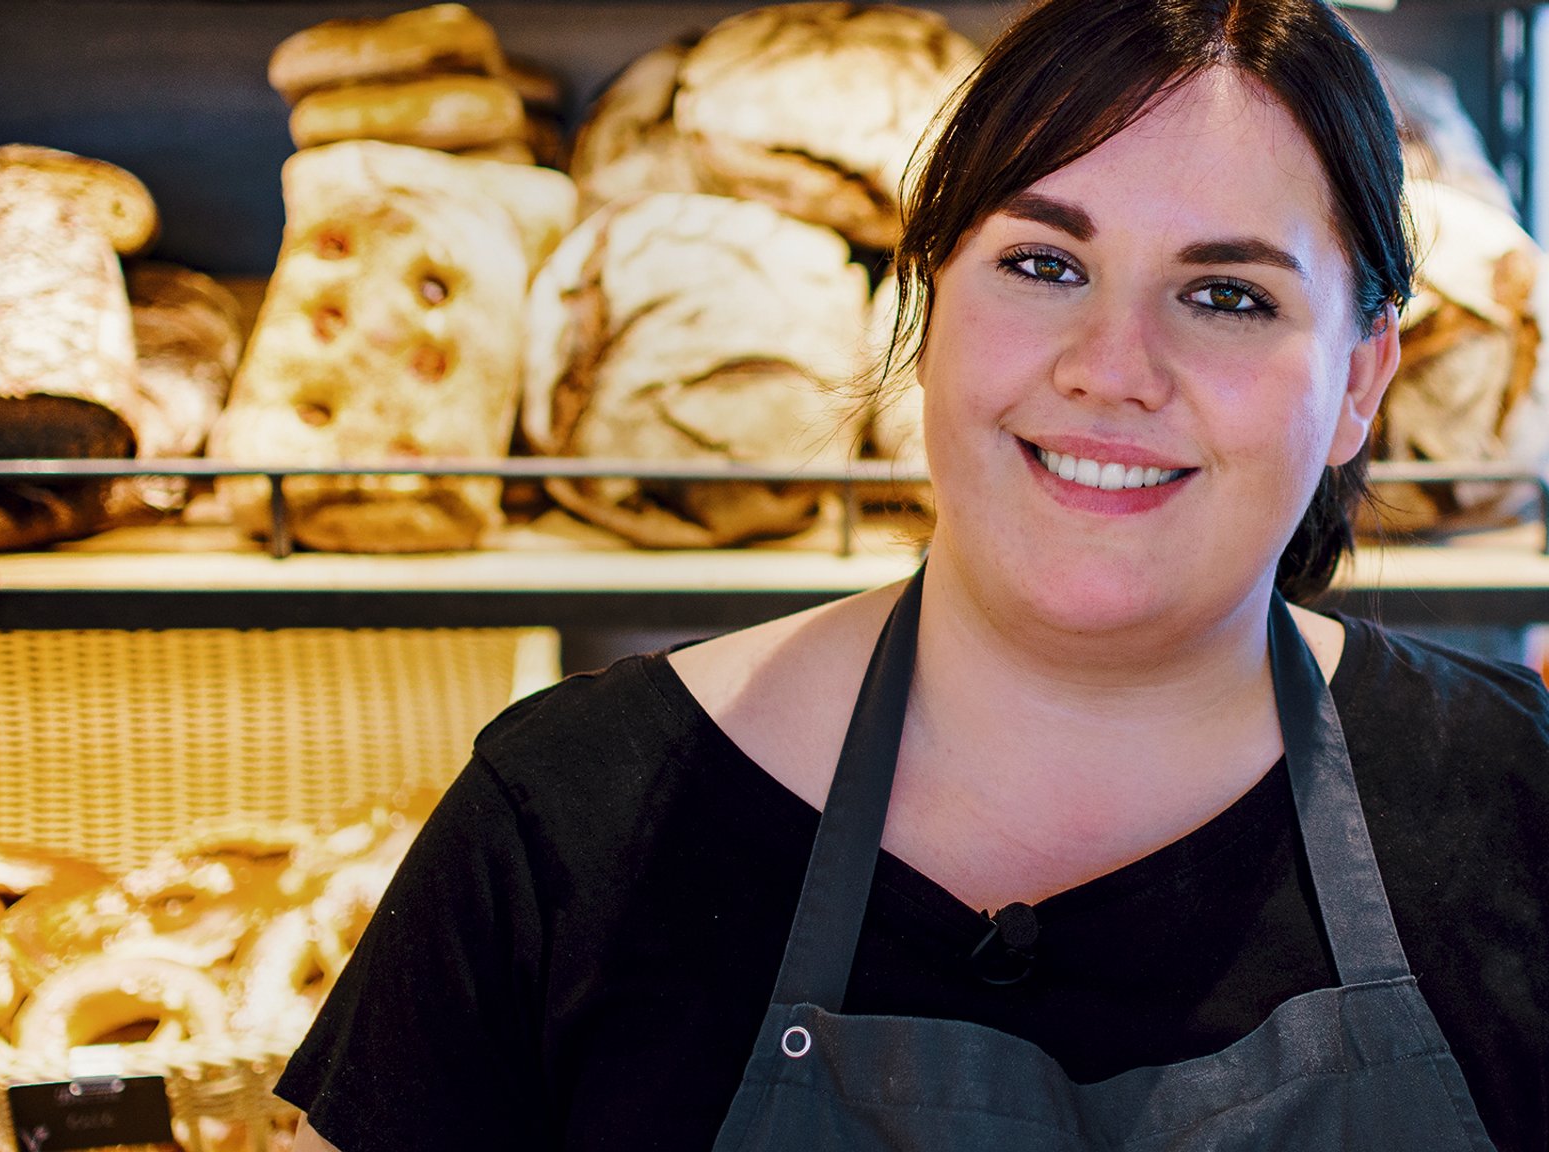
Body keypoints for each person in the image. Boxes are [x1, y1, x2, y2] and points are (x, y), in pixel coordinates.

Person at [277, 0, 1549, 1147]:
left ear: (1359, 381)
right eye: (1042, 265)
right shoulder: (566, 823)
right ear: (923, 301)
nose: (1111, 370)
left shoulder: (1516, 803)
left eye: (1224, 296)